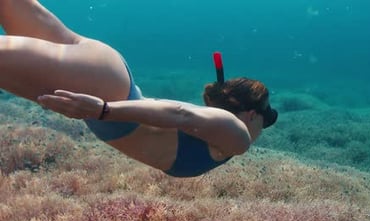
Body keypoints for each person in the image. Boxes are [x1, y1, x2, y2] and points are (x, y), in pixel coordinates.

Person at [0, 0, 277, 177]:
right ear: (252, 114)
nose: (259, 134)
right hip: (104, 86)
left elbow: (182, 117)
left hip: (106, 70)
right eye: (265, 123)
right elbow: (181, 114)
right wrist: (104, 110)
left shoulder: (214, 131)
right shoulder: (238, 137)